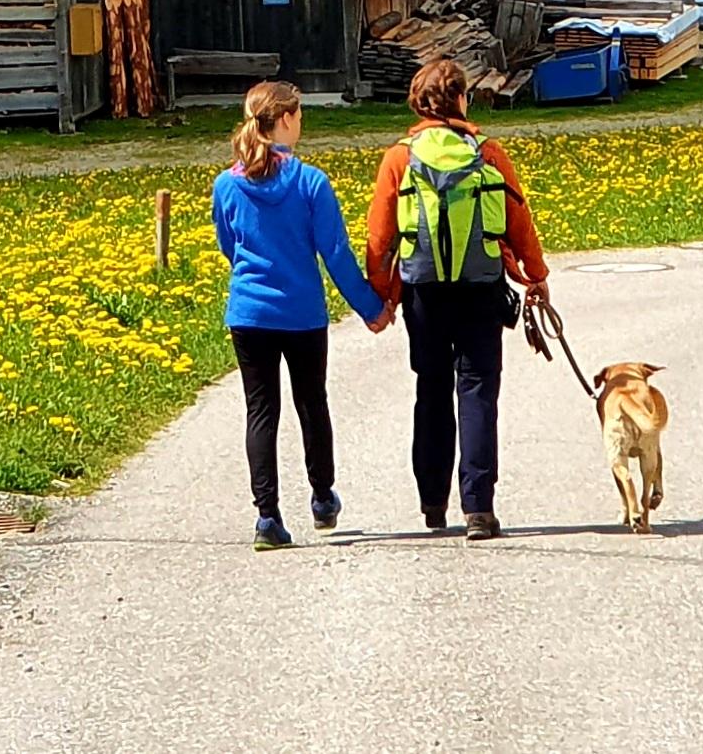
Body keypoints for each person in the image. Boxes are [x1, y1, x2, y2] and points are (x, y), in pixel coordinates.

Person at [365, 57, 549, 539]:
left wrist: (383, 295)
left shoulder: (399, 158)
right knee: (478, 390)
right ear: (462, 99)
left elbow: (380, 237)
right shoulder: (488, 153)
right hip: (480, 287)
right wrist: (536, 275)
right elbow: (518, 220)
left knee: (430, 389)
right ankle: (479, 509)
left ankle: (432, 503)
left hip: (423, 293)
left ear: (418, 103)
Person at [209, 78, 389, 548]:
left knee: (260, 411)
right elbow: (336, 253)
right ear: (286, 119)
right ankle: (323, 496)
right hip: (302, 313)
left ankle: (267, 517)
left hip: (248, 314)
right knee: (311, 402)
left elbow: (229, 245)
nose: (301, 123)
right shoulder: (311, 183)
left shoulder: (226, 185)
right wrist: (371, 308)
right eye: (300, 115)